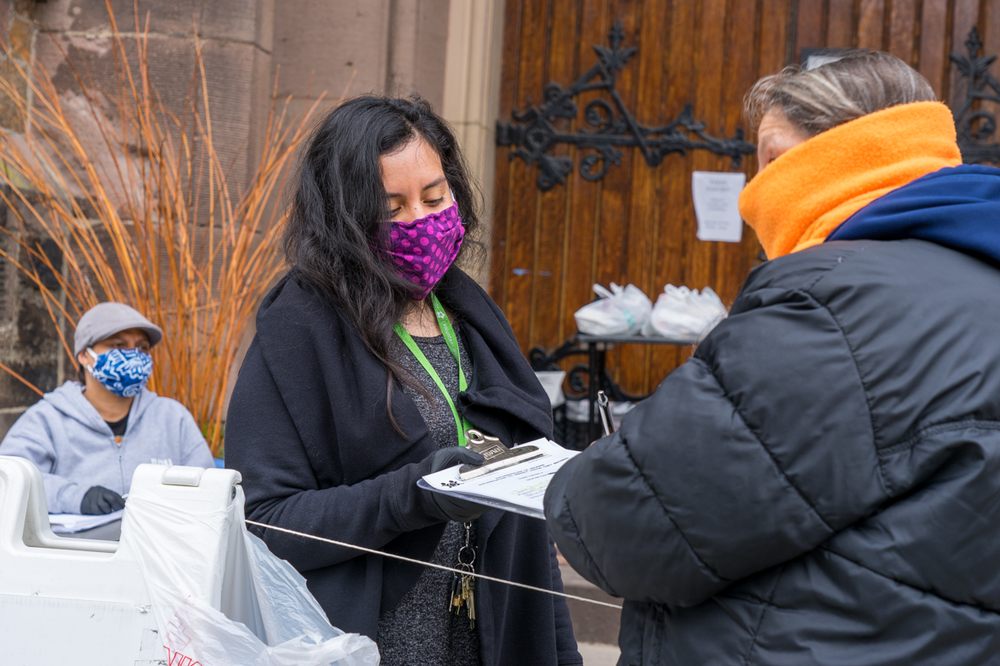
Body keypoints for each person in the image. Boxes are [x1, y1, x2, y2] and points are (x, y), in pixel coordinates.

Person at [544, 49, 1000, 665]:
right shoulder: (979, 275)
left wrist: (569, 486)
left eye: (771, 159)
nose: (758, 192)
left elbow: (629, 521)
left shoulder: (829, 307)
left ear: (818, 161)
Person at [224, 95, 581, 666]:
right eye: (392, 207)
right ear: (344, 215)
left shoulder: (473, 316)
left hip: (494, 638)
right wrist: (415, 495)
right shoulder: (299, 327)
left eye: (435, 196)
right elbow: (264, 523)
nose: (421, 219)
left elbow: (529, 543)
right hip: (372, 647)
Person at [1, 302, 214, 516]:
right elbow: (8, 481)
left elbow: (209, 489)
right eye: (118, 346)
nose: (133, 356)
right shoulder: (46, 420)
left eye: (141, 347)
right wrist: (76, 497)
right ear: (84, 356)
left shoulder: (173, 418)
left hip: (159, 546)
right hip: (73, 548)